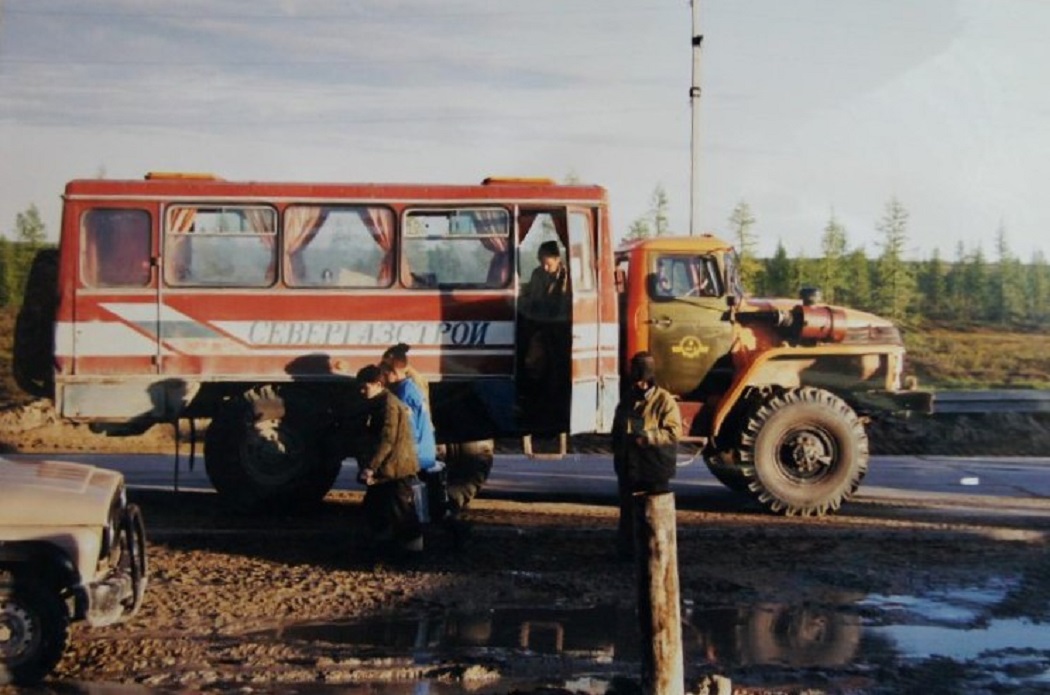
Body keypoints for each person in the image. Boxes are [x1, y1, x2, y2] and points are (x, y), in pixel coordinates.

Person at [611, 351, 682, 560]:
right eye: (637, 381)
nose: (640, 386)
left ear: (650, 380)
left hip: (654, 468)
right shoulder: (627, 399)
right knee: (629, 515)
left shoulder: (664, 401)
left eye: (644, 382)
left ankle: (657, 555)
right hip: (629, 468)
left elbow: (673, 432)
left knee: (655, 515)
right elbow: (617, 430)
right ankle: (628, 554)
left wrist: (648, 438)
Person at [354, 364, 424, 556]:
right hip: (392, 467)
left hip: (396, 468)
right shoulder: (383, 402)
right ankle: (390, 548)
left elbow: (387, 439)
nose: (361, 391)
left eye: (364, 387)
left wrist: (370, 467)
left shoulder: (387, 405)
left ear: (377, 384)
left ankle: (411, 552)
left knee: (400, 510)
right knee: (380, 508)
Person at [380, 359, 447, 523]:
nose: (382, 378)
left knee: (404, 501)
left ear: (393, 372)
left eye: (384, 373)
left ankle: (413, 540)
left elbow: (407, 428)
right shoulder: (413, 388)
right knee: (430, 500)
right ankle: (450, 527)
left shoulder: (403, 395)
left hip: (414, 453)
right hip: (424, 450)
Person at [521, 240, 571, 429]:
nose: (544, 265)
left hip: (561, 329)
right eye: (541, 261)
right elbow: (534, 299)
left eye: (547, 262)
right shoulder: (537, 274)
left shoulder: (568, 276)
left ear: (558, 259)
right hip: (540, 326)